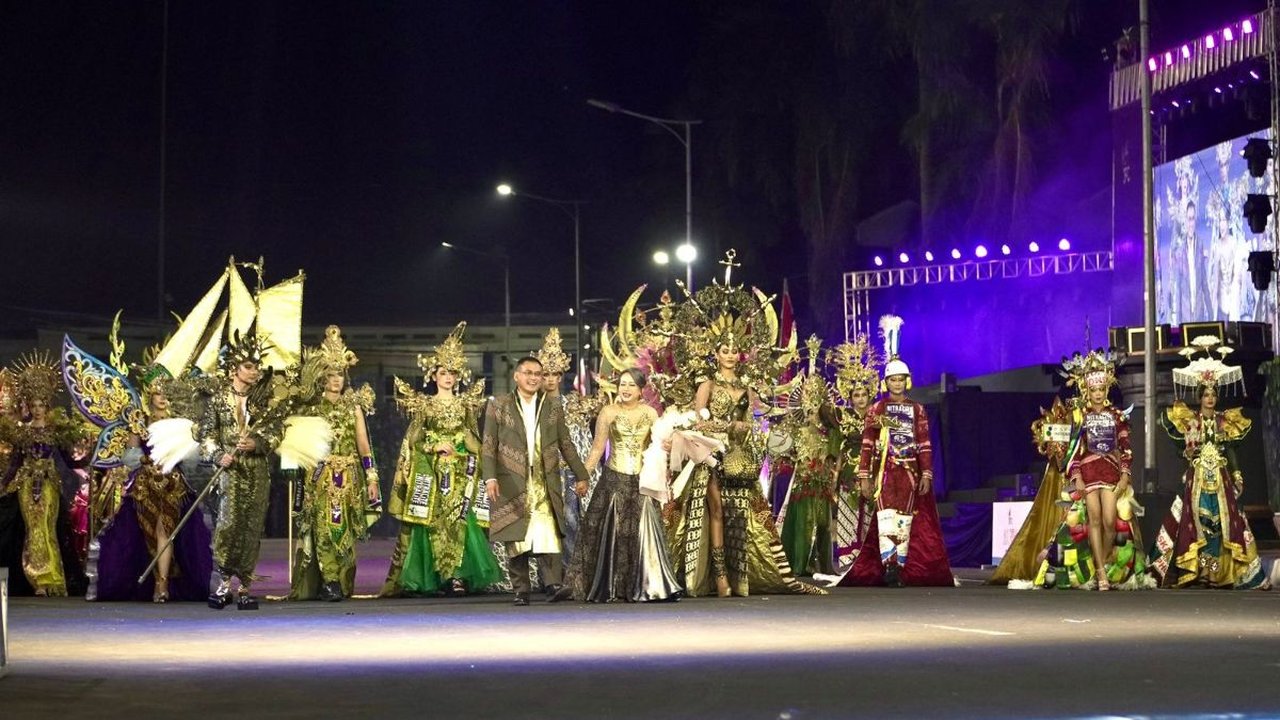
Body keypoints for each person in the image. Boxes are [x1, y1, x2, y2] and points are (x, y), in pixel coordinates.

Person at [382, 322, 501, 597]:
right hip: (431, 473)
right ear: (434, 375)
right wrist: (434, 446)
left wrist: (471, 454)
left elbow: (472, 439)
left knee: (459, 520)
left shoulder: (464, 405)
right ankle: (437, 577)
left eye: (452, 373)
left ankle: (457, 575)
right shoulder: (425, 405)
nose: (448, 377)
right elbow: (413, 441)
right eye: (443, 372)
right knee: (432, 522)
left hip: (459, 473)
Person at [844, 316, 953, 587]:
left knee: (904, 520)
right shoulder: (876, 409)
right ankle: (888, 566)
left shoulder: (917, 410)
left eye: (900, 379)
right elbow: (867, 443)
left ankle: (899, 567)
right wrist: (864, 476)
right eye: (892, 379)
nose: (896, 383)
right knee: (885, 518)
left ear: (907, 381)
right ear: (886, 382)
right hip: (884, 472)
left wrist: (927, 474)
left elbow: (924, 444)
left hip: (909, 472)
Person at [1151, 340, 1267, 589]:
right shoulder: (1190, 421)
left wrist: (1237, 476)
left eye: (1213, 394)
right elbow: (1181, 448)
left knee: (1220, 525)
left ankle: (1215, 572)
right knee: (1201, 523)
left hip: (1221, 480)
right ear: (1200, 397)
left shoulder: (1225, 421)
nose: (1210, 398)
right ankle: (1203, 570)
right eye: (1206, 394)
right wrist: (1188, 452)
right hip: (1198, 479)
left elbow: (1231, 450)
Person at [482, 355, 590, 606]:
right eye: (528, 373)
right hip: (511, 479)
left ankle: (553, 584)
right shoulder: (499, 405)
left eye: (537, 374)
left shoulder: (551, 406)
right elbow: (488, 445)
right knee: (516, 535)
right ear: (516, 376)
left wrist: (581, 474)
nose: (533, 378)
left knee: (548, 531)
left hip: (544, 479)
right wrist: (490, 477)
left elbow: (566, 443)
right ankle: (521, 590)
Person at [565, 368, 681, 602]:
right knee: (613, 532)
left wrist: (669, 446)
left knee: (643, 532)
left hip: (642, 480)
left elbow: (658, 446)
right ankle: (611, 587)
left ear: (640, 390)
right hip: (614, 480)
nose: (626, 389)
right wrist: (583, 476)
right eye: (623, 384)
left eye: (631, 385)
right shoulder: (608, 412)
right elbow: (597, 449)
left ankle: (651, 587)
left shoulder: (650, 413)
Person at [290, 326, 381, 601]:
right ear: (322, 377)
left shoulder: (354, 406)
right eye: (330, 374)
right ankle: (329, 580)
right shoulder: (311, 408)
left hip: (349, 477)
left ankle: (342, 580)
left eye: (339, 374)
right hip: (320, 476)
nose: (335, 380)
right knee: (323, 528)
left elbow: (363, 443)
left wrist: (372, 476)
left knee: (345, 529)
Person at [0, 352, 89, 596]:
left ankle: (52, 577)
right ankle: (38, 578)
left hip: (49, 484)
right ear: (29, 406)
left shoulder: (56, 431)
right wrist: (5, 484)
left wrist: (91, 457)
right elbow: (15, 463)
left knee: (48, 527)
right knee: (33, 527)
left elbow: (70, 460)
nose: (38, 409)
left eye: (42, 405)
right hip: (27, 485)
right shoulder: (22, 433)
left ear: (47, 405)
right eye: (34, 405)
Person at [201, 332, 278, 610]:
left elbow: (276, 433)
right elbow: (206, 435)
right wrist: (217, 455)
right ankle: (223, 585)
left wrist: (258, 444)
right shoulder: (218, 399)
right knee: (228, 525)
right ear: (235, 368)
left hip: (257, 470)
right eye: (248, 366)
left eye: (257, 366)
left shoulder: (264, 400)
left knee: (251, 527)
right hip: (229, 471)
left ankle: (245, 586)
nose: (254, 371)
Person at [1062, 349, 1134, 591]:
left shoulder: (1116, 416)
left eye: (1101, 389)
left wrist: (1124, 475)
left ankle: (1098, 563)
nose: (1098, 394)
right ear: (1087, 391)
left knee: (1109, 521)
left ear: (1106, 390)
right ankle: (1102, 572)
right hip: (1089, 473)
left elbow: (1126, 447)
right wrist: (1077, 477)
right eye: (1093, 390)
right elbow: (1073, 450)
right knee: (1094, 518)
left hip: (1111, 473)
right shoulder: (1080, 417)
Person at [777, 337, 842, 577]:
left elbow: (834, 456)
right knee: (802, 522)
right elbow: (782, 453)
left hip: (822, 482)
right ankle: (800, 561)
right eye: (808, 400)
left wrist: (832, 475)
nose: (811, 407)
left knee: (822, 523)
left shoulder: (830, 431)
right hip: (803, 481)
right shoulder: (796, 429)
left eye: (816, 400)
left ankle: (821, 562)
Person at [824, 335, 880, 574]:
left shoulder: (877, 416)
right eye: (855, 395)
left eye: (863, 394)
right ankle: (848, 558)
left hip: (872, 467)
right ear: (850, 397)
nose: (860, 399)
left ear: (870, 395)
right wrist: (834, 477)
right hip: (848, 470)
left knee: (869, 514)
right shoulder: (843, 416)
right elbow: (823, 412)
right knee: (848, 512)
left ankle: (868, 558)